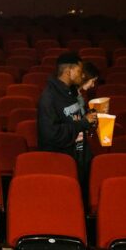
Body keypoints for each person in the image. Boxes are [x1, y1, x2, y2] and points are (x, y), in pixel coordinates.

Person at [38, 52, 97, 187]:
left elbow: (74, 118)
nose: (82, 74)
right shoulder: (49, 97)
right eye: (79, 70)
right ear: (68, 71)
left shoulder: (71, 92)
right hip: (61, 166)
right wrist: (83, 123)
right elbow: (52, 134)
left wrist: (89, 118)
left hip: (79, 160)